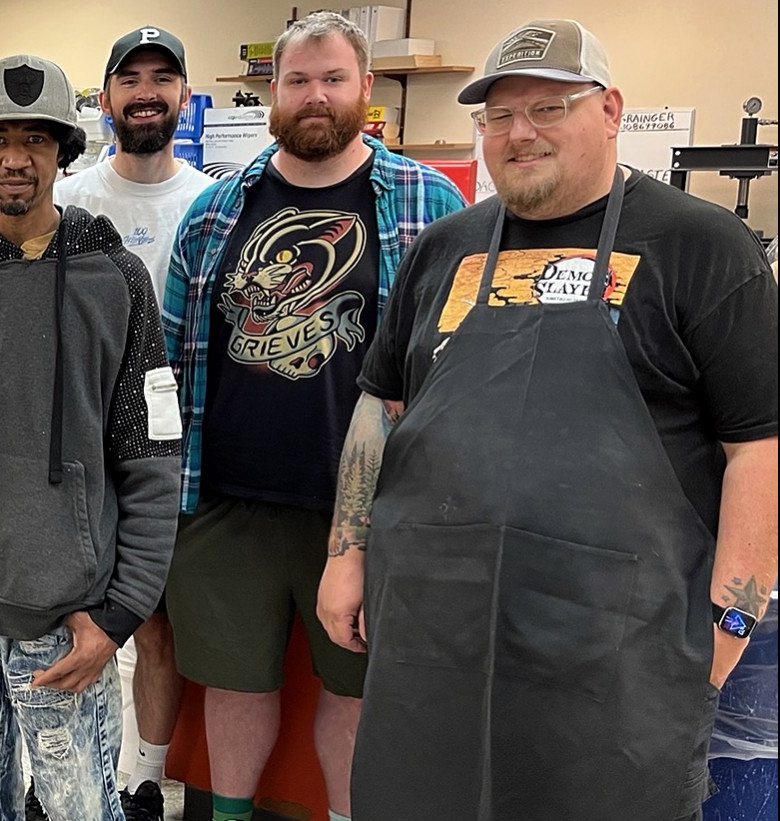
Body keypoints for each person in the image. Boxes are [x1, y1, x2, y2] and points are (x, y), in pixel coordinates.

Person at [316, 19, 779, 821]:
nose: (519, 133)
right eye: (497, 116)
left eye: (548, 107)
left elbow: (760, 447)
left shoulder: (702, 246)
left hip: (617, 663)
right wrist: (346, 554)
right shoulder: (444, 249)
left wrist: (731, 621)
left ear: (610, 110)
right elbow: (379, 403)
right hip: (435, 647)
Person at [161, 13, 465, 821]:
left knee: (358, 689)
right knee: (232, 681)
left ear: (367, 90)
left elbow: (460, 361)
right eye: (297, 80)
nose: (316, 96)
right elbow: (168, 355)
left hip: (368, 512)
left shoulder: (428, 200)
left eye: (333, 78)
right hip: (224, 501)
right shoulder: (216, 211)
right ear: (273, 93)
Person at [0, 54, 182, 821]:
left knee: (82, 807)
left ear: (62, 150)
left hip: (64, 622)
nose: (15, 158)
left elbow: (151, 459)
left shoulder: (116, 280)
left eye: (36, 139)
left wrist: (118, 615)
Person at [53, 24, 213, 820]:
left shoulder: (212, 202)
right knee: (69, 621)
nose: (146, 92)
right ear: (106, 96)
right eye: (131, 78)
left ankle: (144, 777)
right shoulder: (73, 197)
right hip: (79, 450)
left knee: (156, 622)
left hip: (173, 454)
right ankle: (66, 774)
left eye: (162, 78)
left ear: (183, 96)